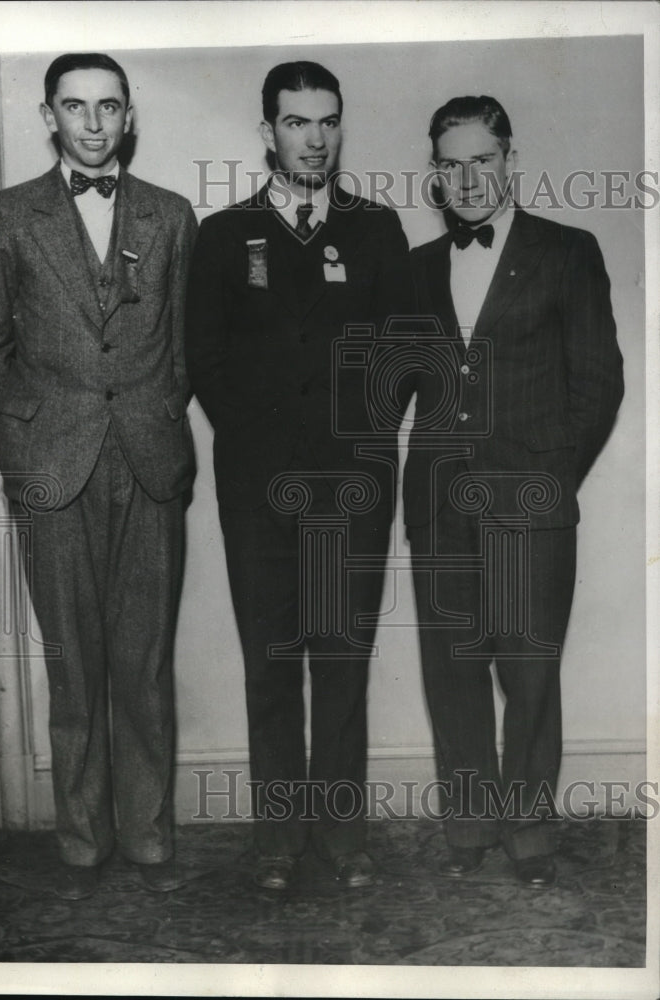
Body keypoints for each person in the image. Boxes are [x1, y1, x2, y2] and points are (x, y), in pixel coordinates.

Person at [0, 53, 197, 900]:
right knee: (74, 661)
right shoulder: (10, 215)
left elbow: (185, 341)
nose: (93, 124)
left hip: (150, 462)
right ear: (49, 116)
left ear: (128, 116)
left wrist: (157, 409)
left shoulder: (169, 215)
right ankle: (83, 837)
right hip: (52, 465)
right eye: (75, 107)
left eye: (108, 108)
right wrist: (29, 418)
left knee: (143, 660)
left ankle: (149, 833)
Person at [186, 61, 409, 890]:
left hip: (353, 486)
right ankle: (277, 841)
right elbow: (204, 358)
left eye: (327, 121)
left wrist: (357, 442)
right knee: (270, 659)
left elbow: (402, 352)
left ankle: (343, 839)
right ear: (267, 130)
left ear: (340, 125)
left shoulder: (377, 230)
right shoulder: (223, 235)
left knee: (343, 657)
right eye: (295, 122)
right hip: (259, 489)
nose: (313, 139)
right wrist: (272, 443)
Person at [403, 96, 624, 888]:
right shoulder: (418, 268)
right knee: (453, 667)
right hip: (438, 504)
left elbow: (598, 383)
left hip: (529, 502)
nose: (467, 178)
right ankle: (467, 823)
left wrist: (547, 478)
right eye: (451, 163)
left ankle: (529, 831)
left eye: (482, 160)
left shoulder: (568, 251)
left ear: (509, 161)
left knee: (528, 670)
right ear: (435, 174)